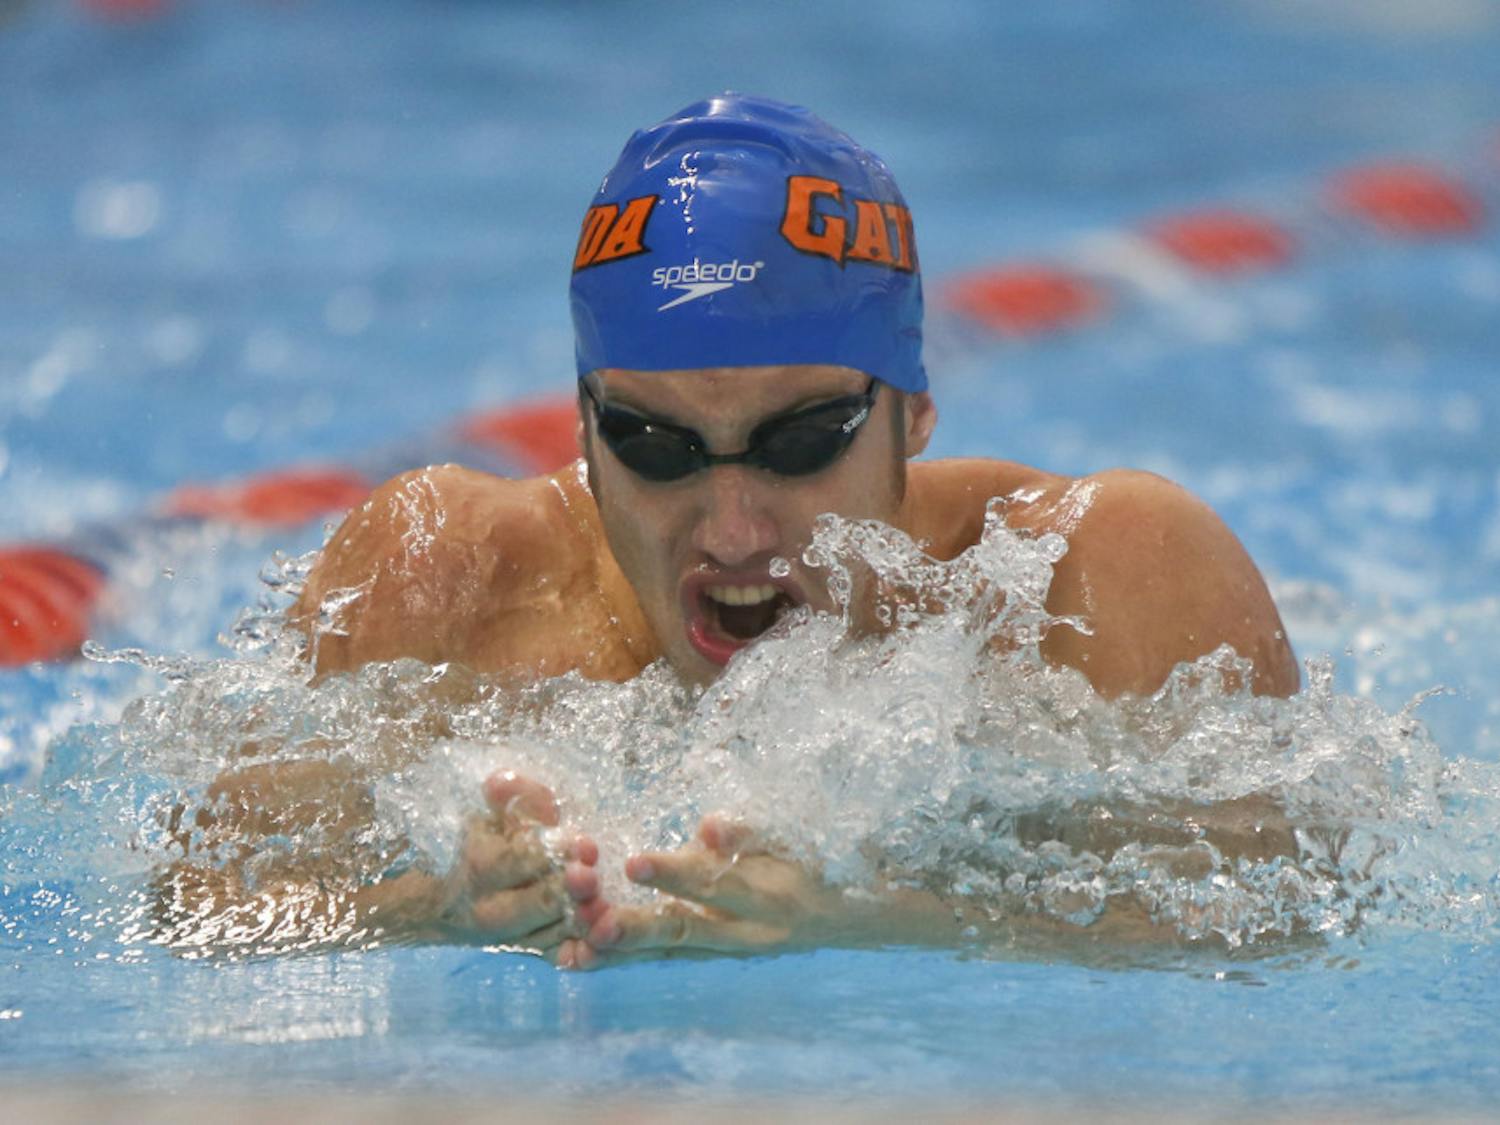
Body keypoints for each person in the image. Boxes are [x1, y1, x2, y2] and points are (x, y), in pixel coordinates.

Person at [162, 94, 1299, 967]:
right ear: (582, 428)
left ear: (912, 412)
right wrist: (437, 910)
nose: (735, 530)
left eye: (800, 441)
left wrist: (875, 920)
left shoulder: (1089, 577)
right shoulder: (447, 575)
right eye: (657, 449)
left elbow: (1286, 924)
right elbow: (189, 911)